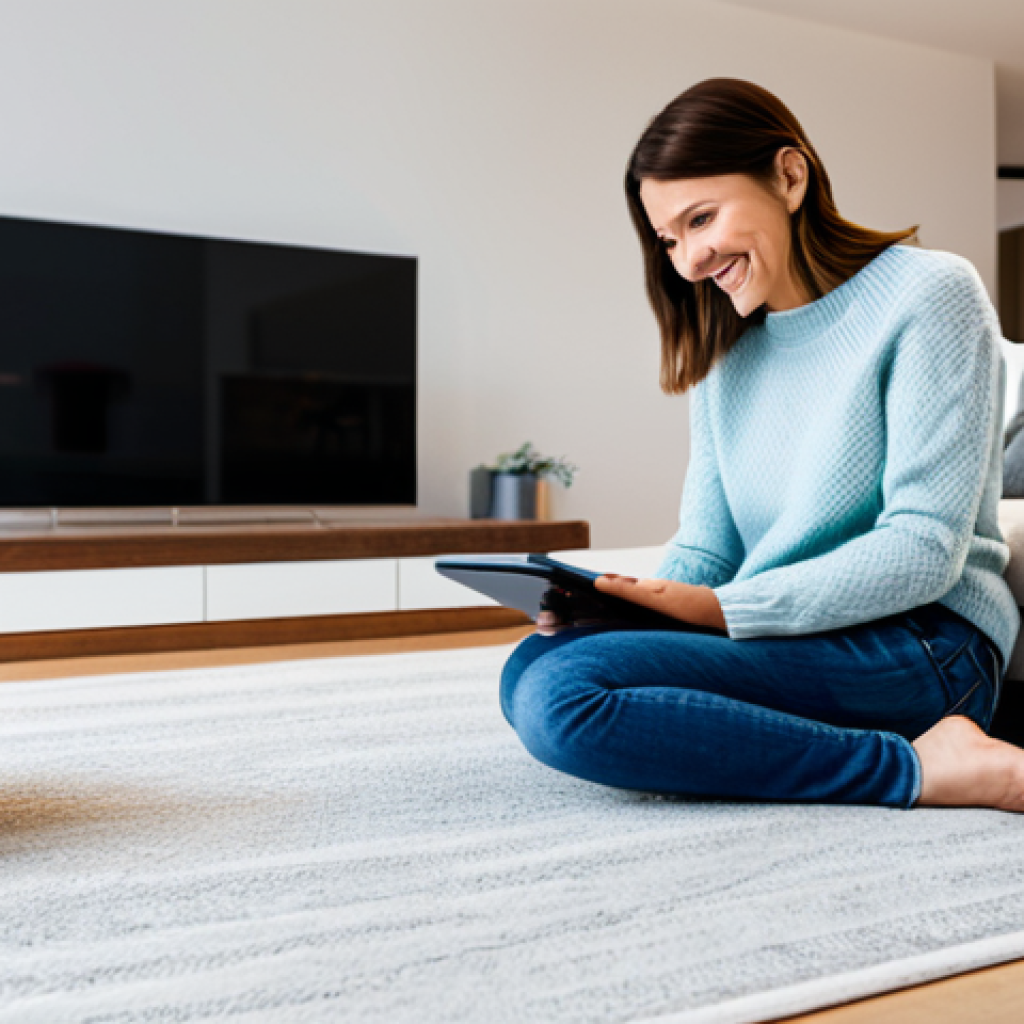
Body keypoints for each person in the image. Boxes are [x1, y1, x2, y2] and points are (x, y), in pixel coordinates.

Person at [499, 77, 1024, 812]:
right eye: (669, 239)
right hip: (790, 634)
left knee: (563, 696)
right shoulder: (728, 355)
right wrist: (626, 610)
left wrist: (720, 611)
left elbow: (921, 550)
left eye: (702, 218)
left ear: (789, 175)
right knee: (535, 666)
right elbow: (708, 549)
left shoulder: (930, 292)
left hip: (925, 643)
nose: (688, 260)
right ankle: (898, 756)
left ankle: (930, 770)